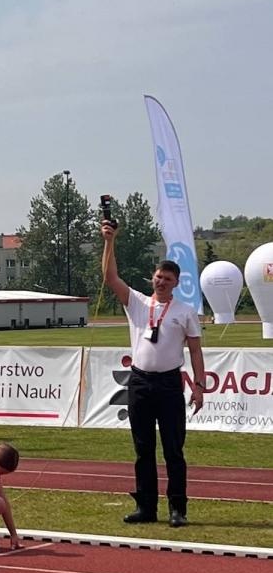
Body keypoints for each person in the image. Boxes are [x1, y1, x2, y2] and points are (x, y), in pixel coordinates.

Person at [101, 220, 205, 528]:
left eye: (167, 279)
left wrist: (199, 385)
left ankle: (178, 509)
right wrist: (110, 241)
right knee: (142, 448)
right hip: (140, 382)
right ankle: (146, 506)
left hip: (170, 383)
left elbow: (196, 350)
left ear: (176, 283)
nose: (161, 282)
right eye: (158, 277)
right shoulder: (137, 301)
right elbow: (110, 277)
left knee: (173, 448)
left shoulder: (185, 311)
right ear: (153, 277)